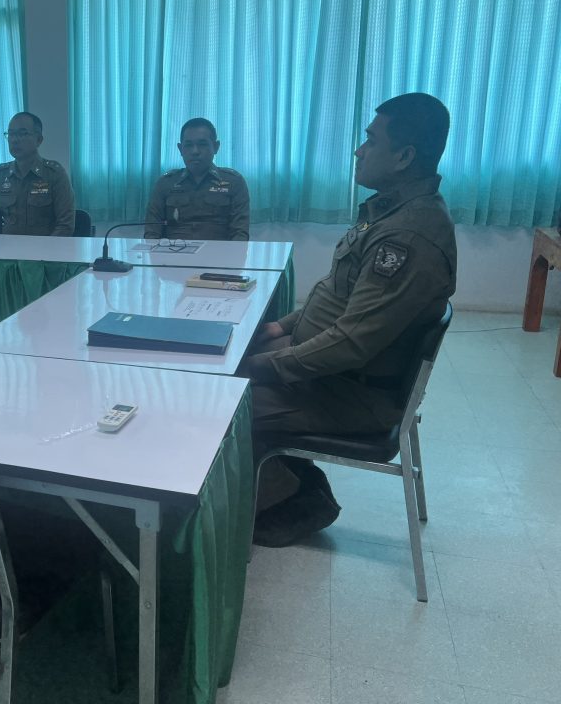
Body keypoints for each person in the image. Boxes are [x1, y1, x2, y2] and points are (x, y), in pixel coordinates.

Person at [243, 93, 457, 548]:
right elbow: (336, 295)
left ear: (404, 156)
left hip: (351, 392)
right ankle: (284, 474)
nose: (359, 151)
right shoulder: (390, 212)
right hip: (334, 374)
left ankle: (293, 499)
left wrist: (261, 366)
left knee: (217, 404)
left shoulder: (408, 235)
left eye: (371, 140)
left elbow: (350, 344)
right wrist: (281, 328)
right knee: (221, 359)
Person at [144, 118, 250, 241]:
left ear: (216, 147)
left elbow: (240, 235)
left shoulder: (234, 182)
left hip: (218, 252)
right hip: (174, 252)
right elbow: (152, 233)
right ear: (180, 149)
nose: (195, 151)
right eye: (188, 145)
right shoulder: (165, 183)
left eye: (202, 144)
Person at [0, 112, 75, 236]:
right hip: (7, 247)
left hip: (46, 247)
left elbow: (65, 225)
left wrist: (46, 248)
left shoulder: (54, 174)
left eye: (22, 134)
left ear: (39, 140)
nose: (14, 140)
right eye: (11, 134)